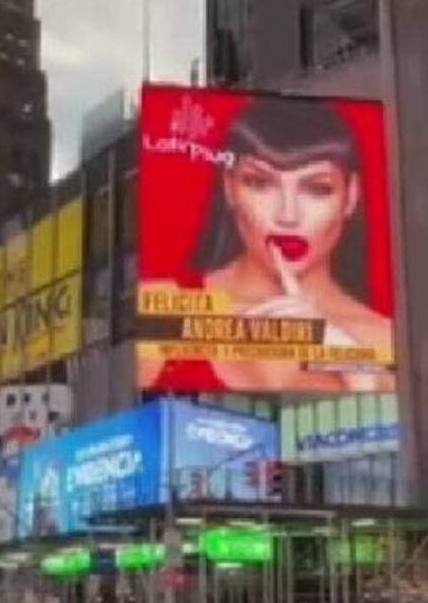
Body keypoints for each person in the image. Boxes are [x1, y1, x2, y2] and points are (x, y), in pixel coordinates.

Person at [141, 96, 394, 393]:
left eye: (317, 188)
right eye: (260, 183)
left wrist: (353, 365)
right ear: (230, 188)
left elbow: (388, 437)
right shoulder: (164, 309)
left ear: (351, 196)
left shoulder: (386, 337)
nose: (288, 215)